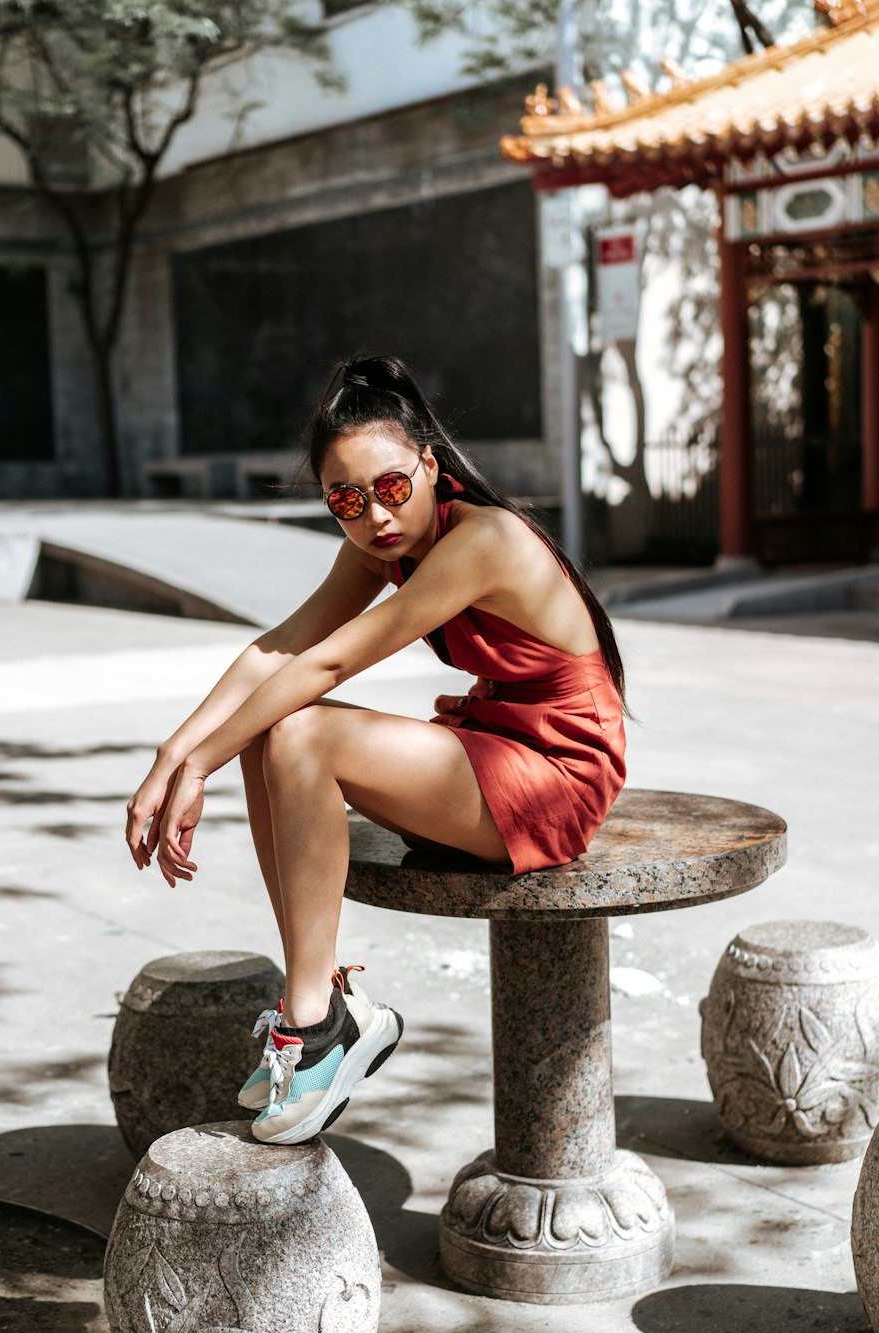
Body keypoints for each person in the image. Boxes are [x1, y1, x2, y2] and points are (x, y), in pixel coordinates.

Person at [125, 353, 626, 1146]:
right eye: (347, 501)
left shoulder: (484, 539)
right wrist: (173, 753)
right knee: (271, 733)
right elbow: (284, 648)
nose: (376, 516)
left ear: (429, 464)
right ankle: (320, 1002)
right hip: (490, 747)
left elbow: (329, 664)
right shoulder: (384, 547)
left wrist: (200, 766)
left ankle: (315, 1029)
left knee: (300, 730)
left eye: (392, 486)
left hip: (557, 777)